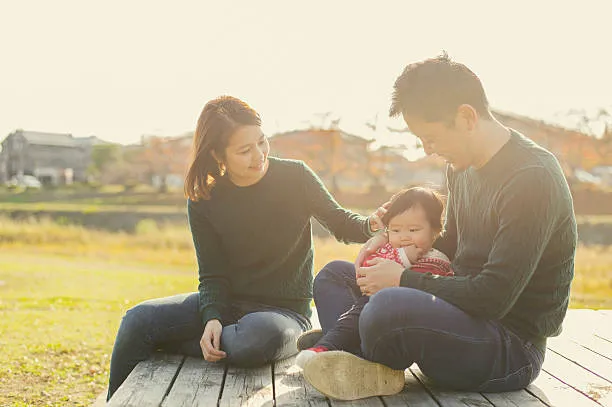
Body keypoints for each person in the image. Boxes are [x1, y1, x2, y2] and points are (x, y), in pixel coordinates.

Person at [302, 53, 577, 401]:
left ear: (466, 117)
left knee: (388, 307)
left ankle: (349, 343)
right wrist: (392, 247)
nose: (428, 150)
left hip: (509, 345)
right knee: (335, 276)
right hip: (455, 308)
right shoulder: (461, 168)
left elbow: (493, 297)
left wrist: (402, 279)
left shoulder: (531, 179)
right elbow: (449, 248)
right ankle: (352, 349)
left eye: (430, 138)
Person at [106, 95, 385, 400]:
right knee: (137, 320)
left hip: (283, 315)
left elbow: (340, 222)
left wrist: (370, 225)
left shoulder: (295, 177)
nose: (259, 155)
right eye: (244, 150)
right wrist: (212, 316)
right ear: (217, 154)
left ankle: (177, 342)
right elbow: (212, 272)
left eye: (262, 142)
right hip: (228, 304)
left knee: (254, 339)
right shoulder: (205, 198)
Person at [296, 187, 452, 368]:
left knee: (373, 301)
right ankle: (343, 343)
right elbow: (367, 269)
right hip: (371, 317)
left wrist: (403, 259)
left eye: (413, 229)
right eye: (395, 230)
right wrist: (382, 238)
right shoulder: (392, 247)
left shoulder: (436, 261)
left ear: (435, 231)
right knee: (333, 273)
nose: (403, 237)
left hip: (399, 334)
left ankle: (329, 344)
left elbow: (412, 293)